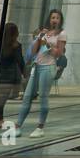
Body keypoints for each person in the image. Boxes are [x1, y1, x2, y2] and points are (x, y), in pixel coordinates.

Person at [16, 9, 66, 137]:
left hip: (48, 67)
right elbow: (33, 51)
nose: (54, 20)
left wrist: (48, 45)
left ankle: (40, 127)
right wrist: (39, 38)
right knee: (27, 97)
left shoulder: (62, 34)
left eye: (57, 18)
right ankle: (17, 126)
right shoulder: (44, 33)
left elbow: (59, 53)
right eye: (52, 17)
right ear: (49, 19)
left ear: (60, 20)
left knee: (43, 97)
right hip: (36, 66)